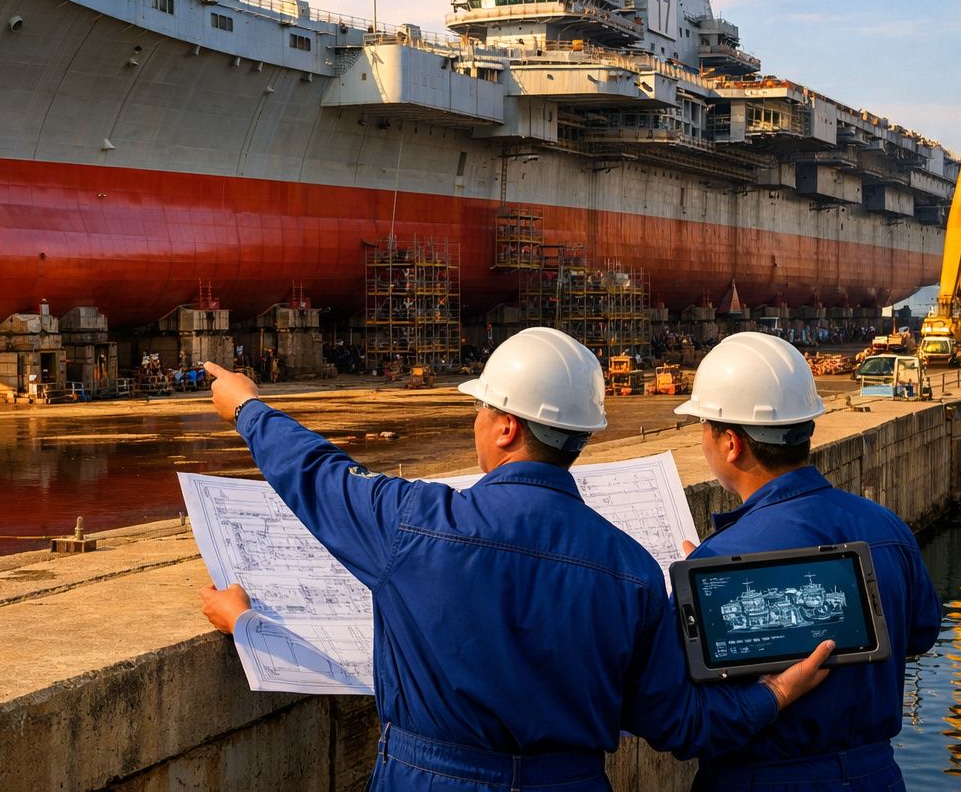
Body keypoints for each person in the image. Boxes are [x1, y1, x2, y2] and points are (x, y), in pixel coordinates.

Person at [200, 327, 834, 792]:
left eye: (482, 408)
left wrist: (247, 408)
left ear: (505, 428)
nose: (477, 420)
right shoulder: (635, 571)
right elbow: (681, 725)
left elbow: (317, 474)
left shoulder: (413, 524)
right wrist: (774, 692)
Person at [675, 331, 942, 792]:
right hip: (876, 776)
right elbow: (921, 632)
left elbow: (683, 719)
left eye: (703, 425)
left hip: (762, 779)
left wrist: (699, 581)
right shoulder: (889, 529)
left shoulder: (716, 562)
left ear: (732, 443)